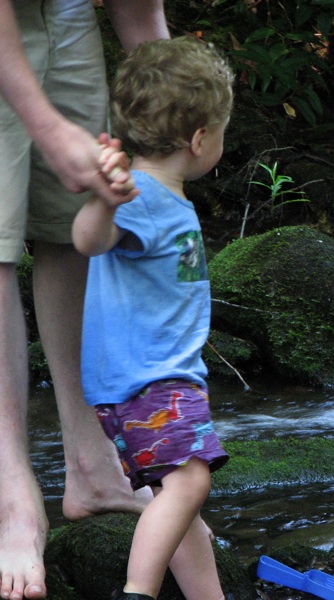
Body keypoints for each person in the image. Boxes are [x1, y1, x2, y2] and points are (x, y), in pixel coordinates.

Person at [0, 2, 168, 598]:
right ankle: (12, 496)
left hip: (62, 10)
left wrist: (174, 115)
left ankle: (93, 464)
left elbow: (139, 9)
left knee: (73, 225)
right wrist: (47, 128)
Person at [70, 36, 234, 600]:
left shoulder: (163, 197)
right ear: (199, 138)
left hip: (145, 382)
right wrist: (102, 201)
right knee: (190, 480)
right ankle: (137, 591)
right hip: (150, 381)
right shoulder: (138, 198)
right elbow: (88, 241)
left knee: (177, 493)